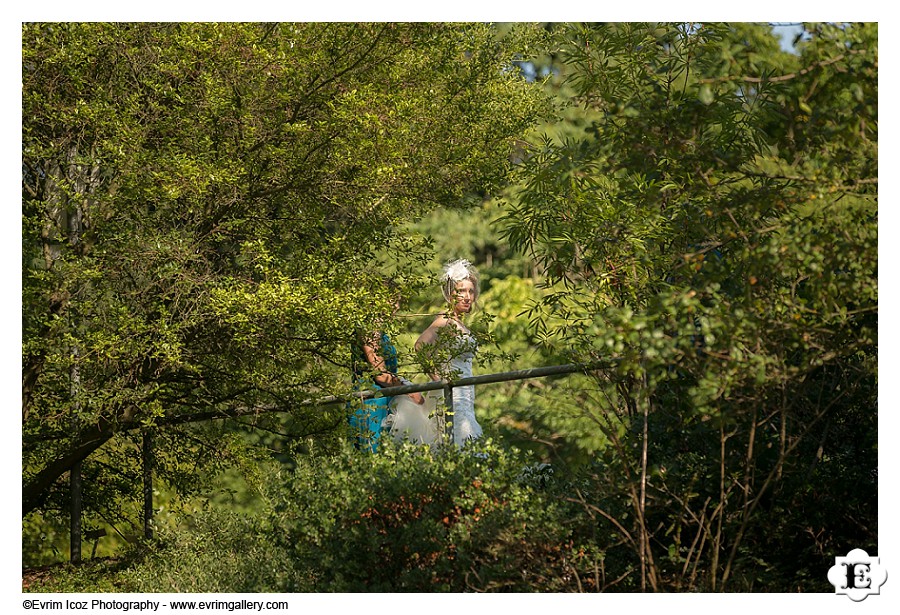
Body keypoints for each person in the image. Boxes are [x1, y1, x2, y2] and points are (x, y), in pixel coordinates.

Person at [413, 258, 483, 447]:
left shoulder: (460, 324)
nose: (467, 296)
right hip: (452, 394)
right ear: (450, 294)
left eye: (470, 291)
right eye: (461, 291)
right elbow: (420, 346)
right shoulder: (445, 321)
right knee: (457, 443)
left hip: (466, 394)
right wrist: (438, 379)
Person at [349, 292, 424, 453]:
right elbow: (380, 373)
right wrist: (409, 390)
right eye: (393, 301)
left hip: (384, 399)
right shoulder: (368, 330)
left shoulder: (380, 332)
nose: (396, 307)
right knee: (373, 455)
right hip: (372, 402)